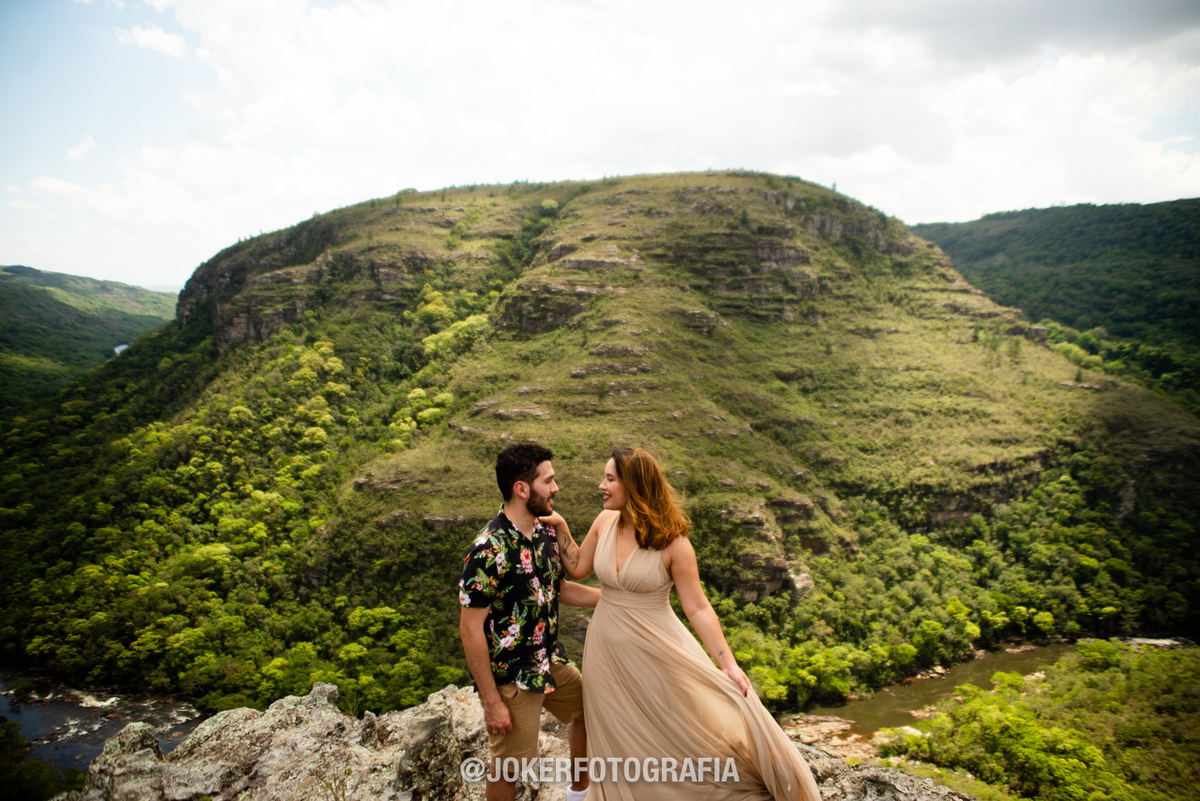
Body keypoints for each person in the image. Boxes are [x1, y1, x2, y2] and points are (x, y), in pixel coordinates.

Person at [546, 447, 822, 801]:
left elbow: (698, 608)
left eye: (610, 479)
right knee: (616, 732)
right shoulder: (604, 523)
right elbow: (578, 567)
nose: (601, 485)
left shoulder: (674, 542)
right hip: (604, 653)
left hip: (656, 650)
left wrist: (729, 664)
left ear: (634, 484)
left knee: (676, 729)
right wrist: (561, 525)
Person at [459, 443, 600, 801]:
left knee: (591, 709)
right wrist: (491, 700)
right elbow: (470, 627)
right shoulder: (488, 549)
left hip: (549, 659)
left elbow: (558, 587)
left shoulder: (543, 533)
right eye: (548, 481)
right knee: (509, 769)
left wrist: (612, 600)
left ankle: (578, 793)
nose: (556, 488)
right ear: (522, 489)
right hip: (513, 676)